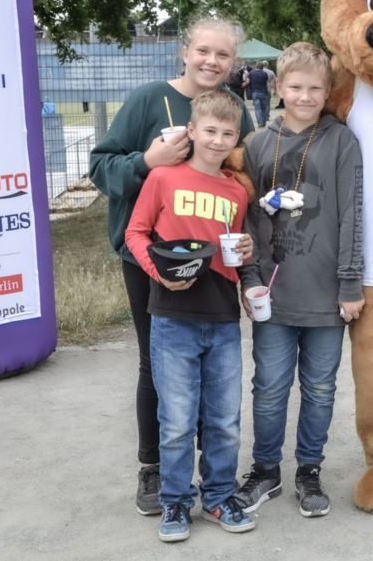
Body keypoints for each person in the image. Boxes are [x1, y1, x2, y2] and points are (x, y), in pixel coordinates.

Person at [88, 16, 255, 517]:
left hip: (214, 261)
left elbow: (237, 176)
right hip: (150, 257)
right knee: (156, 362)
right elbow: (101, 166)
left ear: (233, 64)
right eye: (203, 50)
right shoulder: (147, 98)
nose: (211, 61)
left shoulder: (235, 111)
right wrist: (147, 161)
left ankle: (210, 477)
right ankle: (154, 468)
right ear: (184, 52)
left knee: (212, 370)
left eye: (222, 55)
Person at [234, 42, 365, 518]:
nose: (305, 96)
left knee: (320, 389)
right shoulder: (256, 145)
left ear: (328, 90)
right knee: (268, 387)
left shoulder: (342, 141)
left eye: (315, 88)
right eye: (296, 87)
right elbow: (243, 219)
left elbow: (352, 214)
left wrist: (350, 285)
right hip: (272, 294)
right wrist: (248, 279)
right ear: (278, 87)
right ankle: (265, 469)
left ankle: (309, 469)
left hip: (326, 295)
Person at [125, 88, 257, 541]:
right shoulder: (163, 178)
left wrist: (246, 250)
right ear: (192, 131)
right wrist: (159, 274)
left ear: (236, 137)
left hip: (222, 319)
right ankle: (176, 502)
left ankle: (219, 497)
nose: (218, 141)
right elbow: (136, 232)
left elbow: (236, 250)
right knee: (178, 421)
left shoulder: (236, 192)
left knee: (224, 419)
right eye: (210, 131)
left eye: (228, 133)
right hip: (172, 317)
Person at [248, 61, 271, 126]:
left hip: (255, 92)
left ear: (256, 66)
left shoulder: (251, 73)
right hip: (263, 92)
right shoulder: (264, 73)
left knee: (257, 108)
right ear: (263, 67)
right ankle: (263, 121)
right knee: (264, 108)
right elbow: (267, 82)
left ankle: (259, 122)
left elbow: (248, 81)